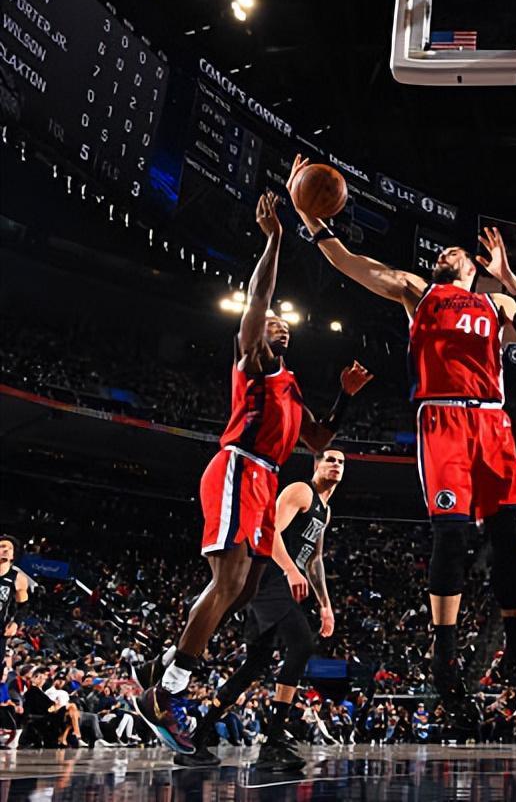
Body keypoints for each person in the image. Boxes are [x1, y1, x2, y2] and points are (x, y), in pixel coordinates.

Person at [289, 155, 516, 727]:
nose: (444, 253)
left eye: (453, 251)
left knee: (508, 536)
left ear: (473, 266)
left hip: (493, 422)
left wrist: (509, 277)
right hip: (443, 420)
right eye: (441, 252)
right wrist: (310, 219)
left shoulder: (496, 302)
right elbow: (350, 262)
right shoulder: (419, 292)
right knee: (451, 535)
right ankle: (444, 658)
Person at [135, 192, 373, 757]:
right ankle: (165, 692)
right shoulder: (254, 362)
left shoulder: (290, 386)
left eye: (284, 323)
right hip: (239, 467)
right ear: (254, 331)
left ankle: (162, 665)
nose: (278, 324)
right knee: (228, 582)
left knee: (242, 589)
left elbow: (319, 439)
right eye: (270, 322)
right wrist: (274, 240)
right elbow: (258, 298)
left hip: (264, 480)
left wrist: (344, 396)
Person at [179, 446, 349, 769]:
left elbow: (315, 560)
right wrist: (290, 569)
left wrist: (326, 605)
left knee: (254, 665)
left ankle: (196, 739)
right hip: (270, 577)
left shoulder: (325, 511)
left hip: (282, 582)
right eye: (330, 459)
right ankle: (272, 741)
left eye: (341, 462)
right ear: (316, 464)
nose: (336, 465)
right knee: (302, 644)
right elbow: (269, 534)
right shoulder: (301, 491)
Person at [0, 536, 31, 660]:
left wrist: (16, 623)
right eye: (2, 546)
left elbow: (24, 606)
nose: (6, 550)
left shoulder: (18, 579)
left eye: (10, 548)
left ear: (13, 555)